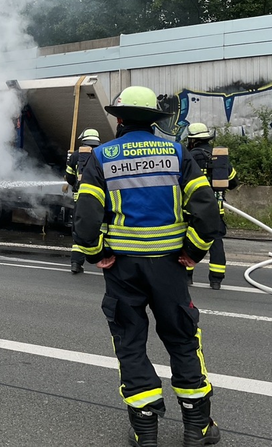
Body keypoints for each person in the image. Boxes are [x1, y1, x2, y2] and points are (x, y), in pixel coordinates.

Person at [71, 86, 222, 447]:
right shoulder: (177, 152)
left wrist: (95, 254)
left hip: (123, 269)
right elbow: (206, 211)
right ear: (155, 119)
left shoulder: (102, 157)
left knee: (130, 340)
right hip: (171, 267)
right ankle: (197, 428)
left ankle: (145, 431)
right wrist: (193, 252)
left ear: (119, 119)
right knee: (183, 339)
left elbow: (87, 216)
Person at [185, 123, 239, 290]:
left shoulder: (188, 157)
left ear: (192, 141)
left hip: (192, 210)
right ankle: (216, 279)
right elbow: (233, 183)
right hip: (216, 209)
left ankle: (187, 277)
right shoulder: (219, 159)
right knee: (216, 242)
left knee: (188, 241)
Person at [65, 128, 100, 274]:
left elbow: (70, 178)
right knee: (102, 229)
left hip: (80, 199)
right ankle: (105, 260)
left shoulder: (75, 155)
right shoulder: (103, 153)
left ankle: (76, 264)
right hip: (99, 200)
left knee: (79, 230)